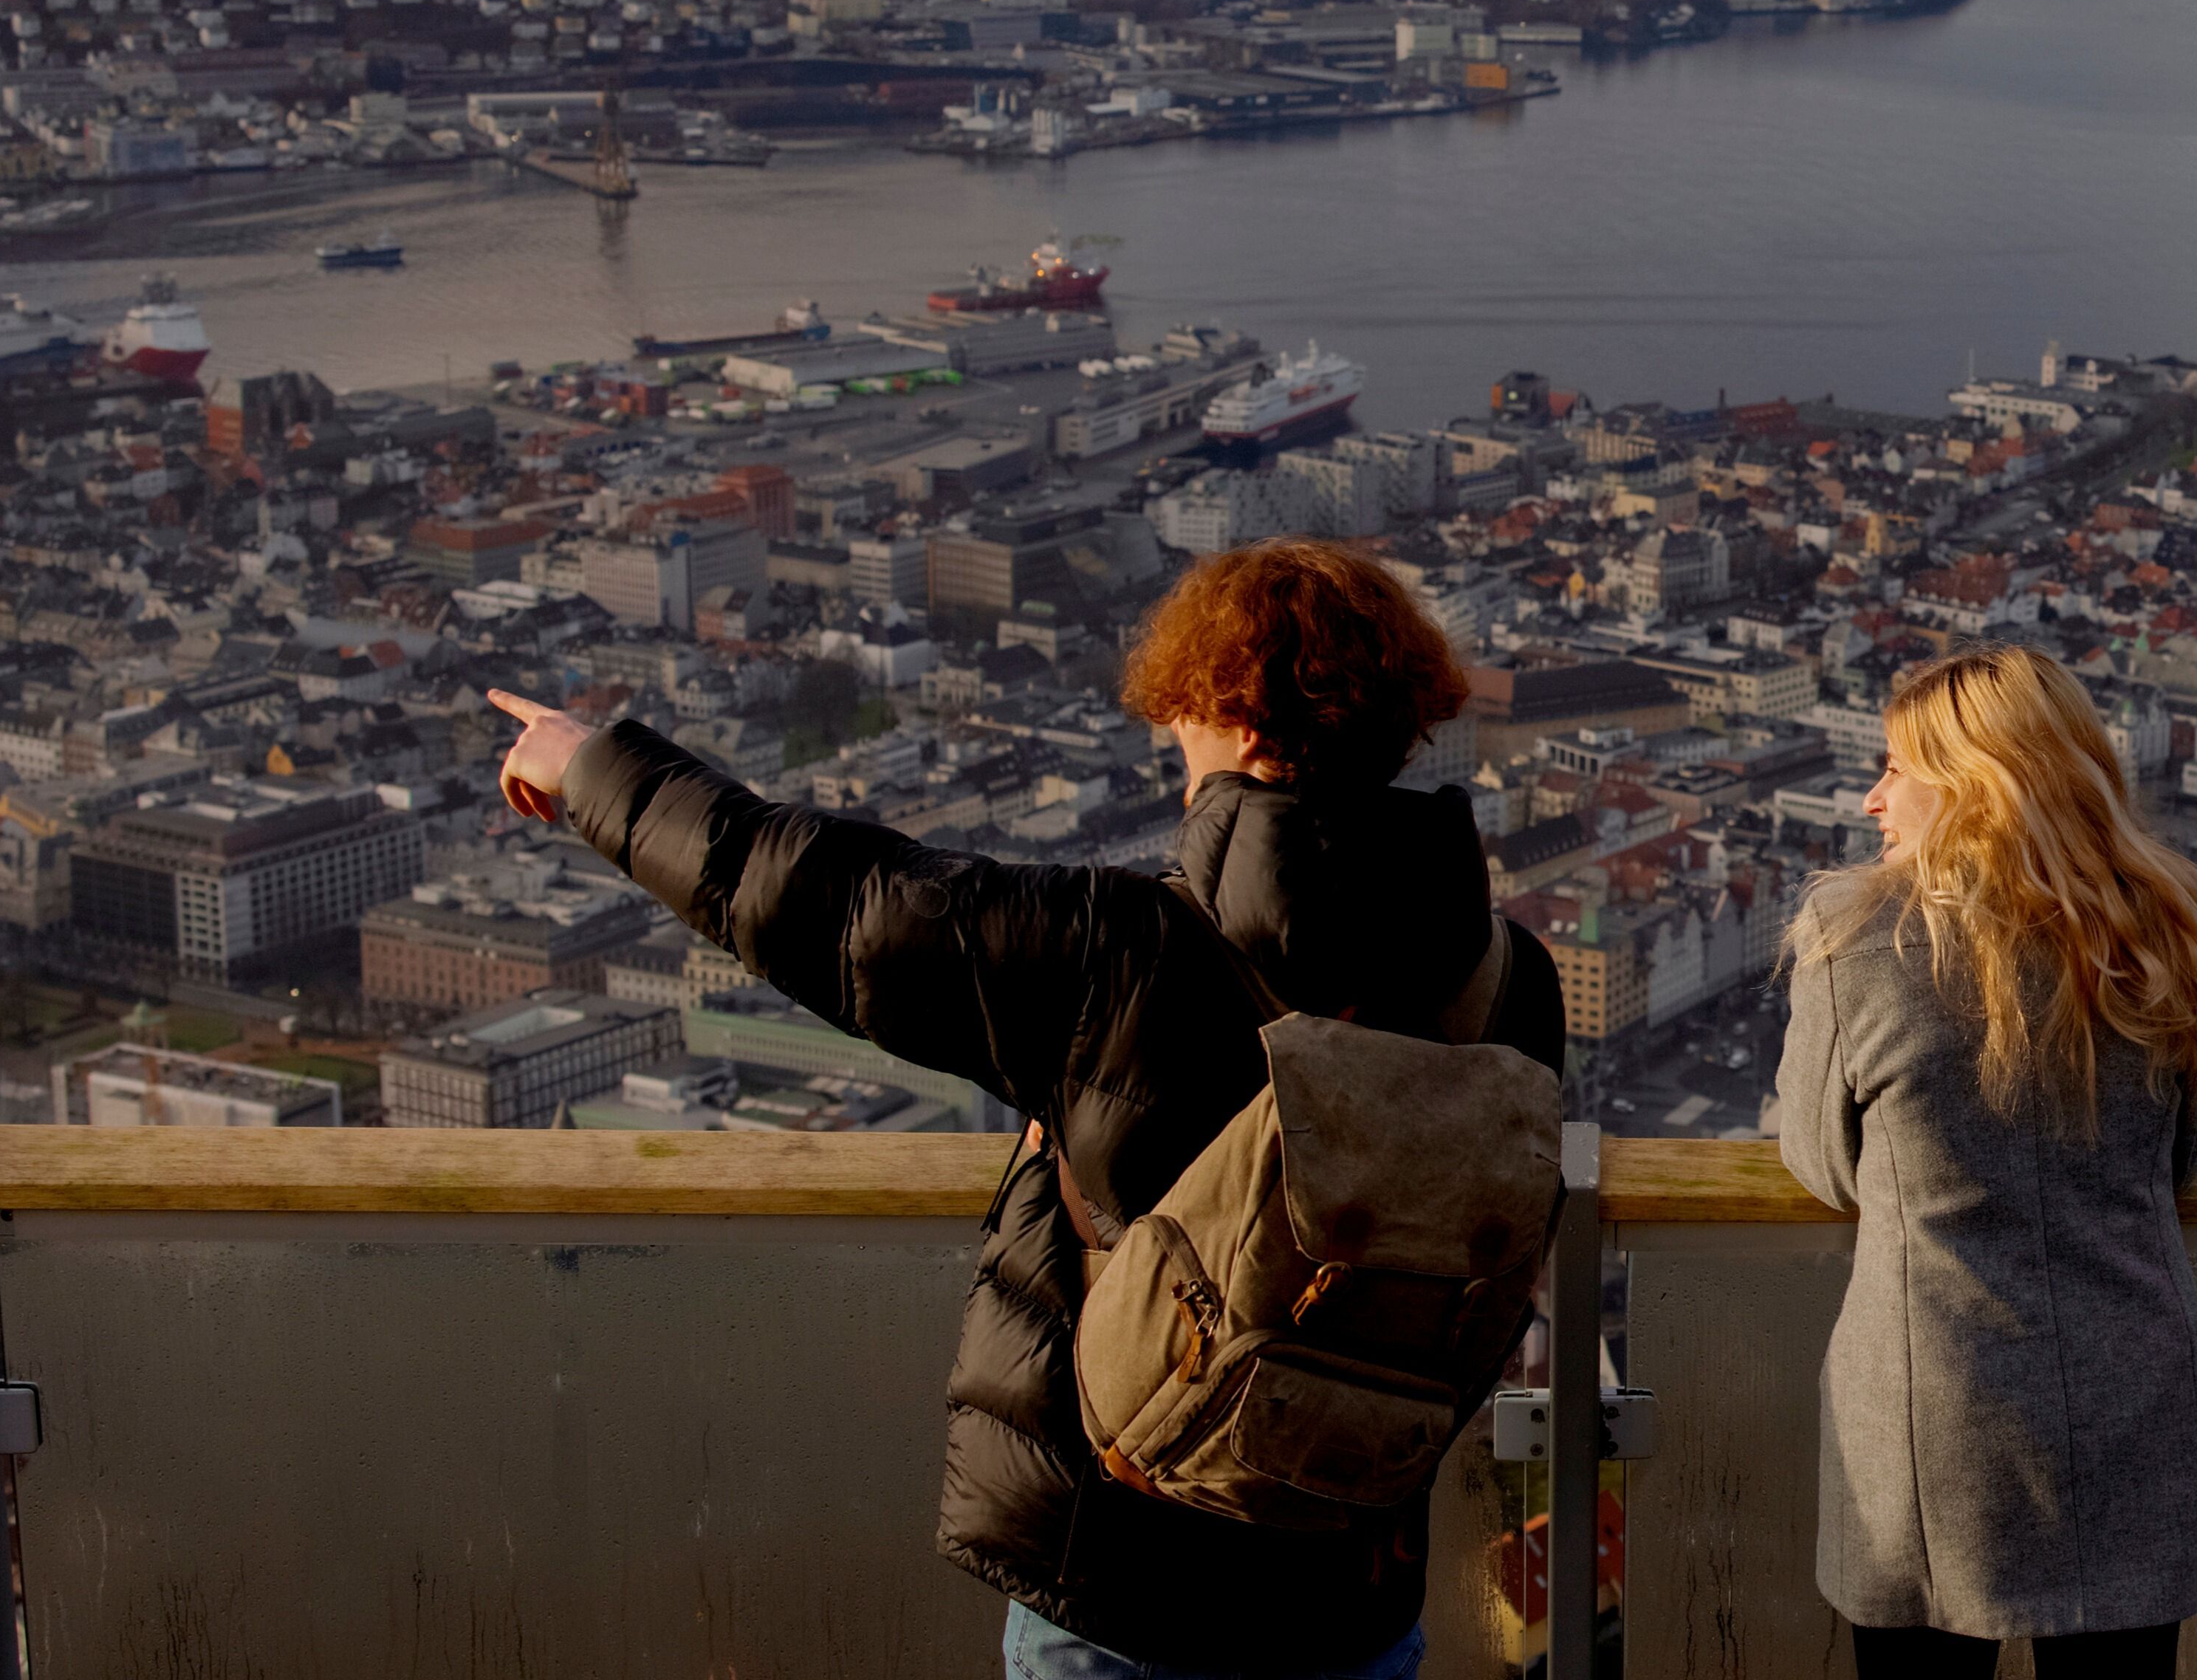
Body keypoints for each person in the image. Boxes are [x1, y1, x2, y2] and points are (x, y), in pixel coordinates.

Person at [486, 538, 1565, 1680]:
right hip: (1353, 1578)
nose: (1172, 740)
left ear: (1244, 724)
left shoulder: (1116, 948)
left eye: (1185, 710)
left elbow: (832, 903)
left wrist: (593, 768)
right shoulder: (1506, 981)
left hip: (1122, 1575)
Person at [1775, 644, 2197, 1680]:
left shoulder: (1857, 942)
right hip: (2135, 1399)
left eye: (1898, 768)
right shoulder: (2169, 931)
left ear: (1972, 786)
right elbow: (2183, 1155)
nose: (1872, 798)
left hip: (1935, 1416)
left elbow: (1824, 1162)